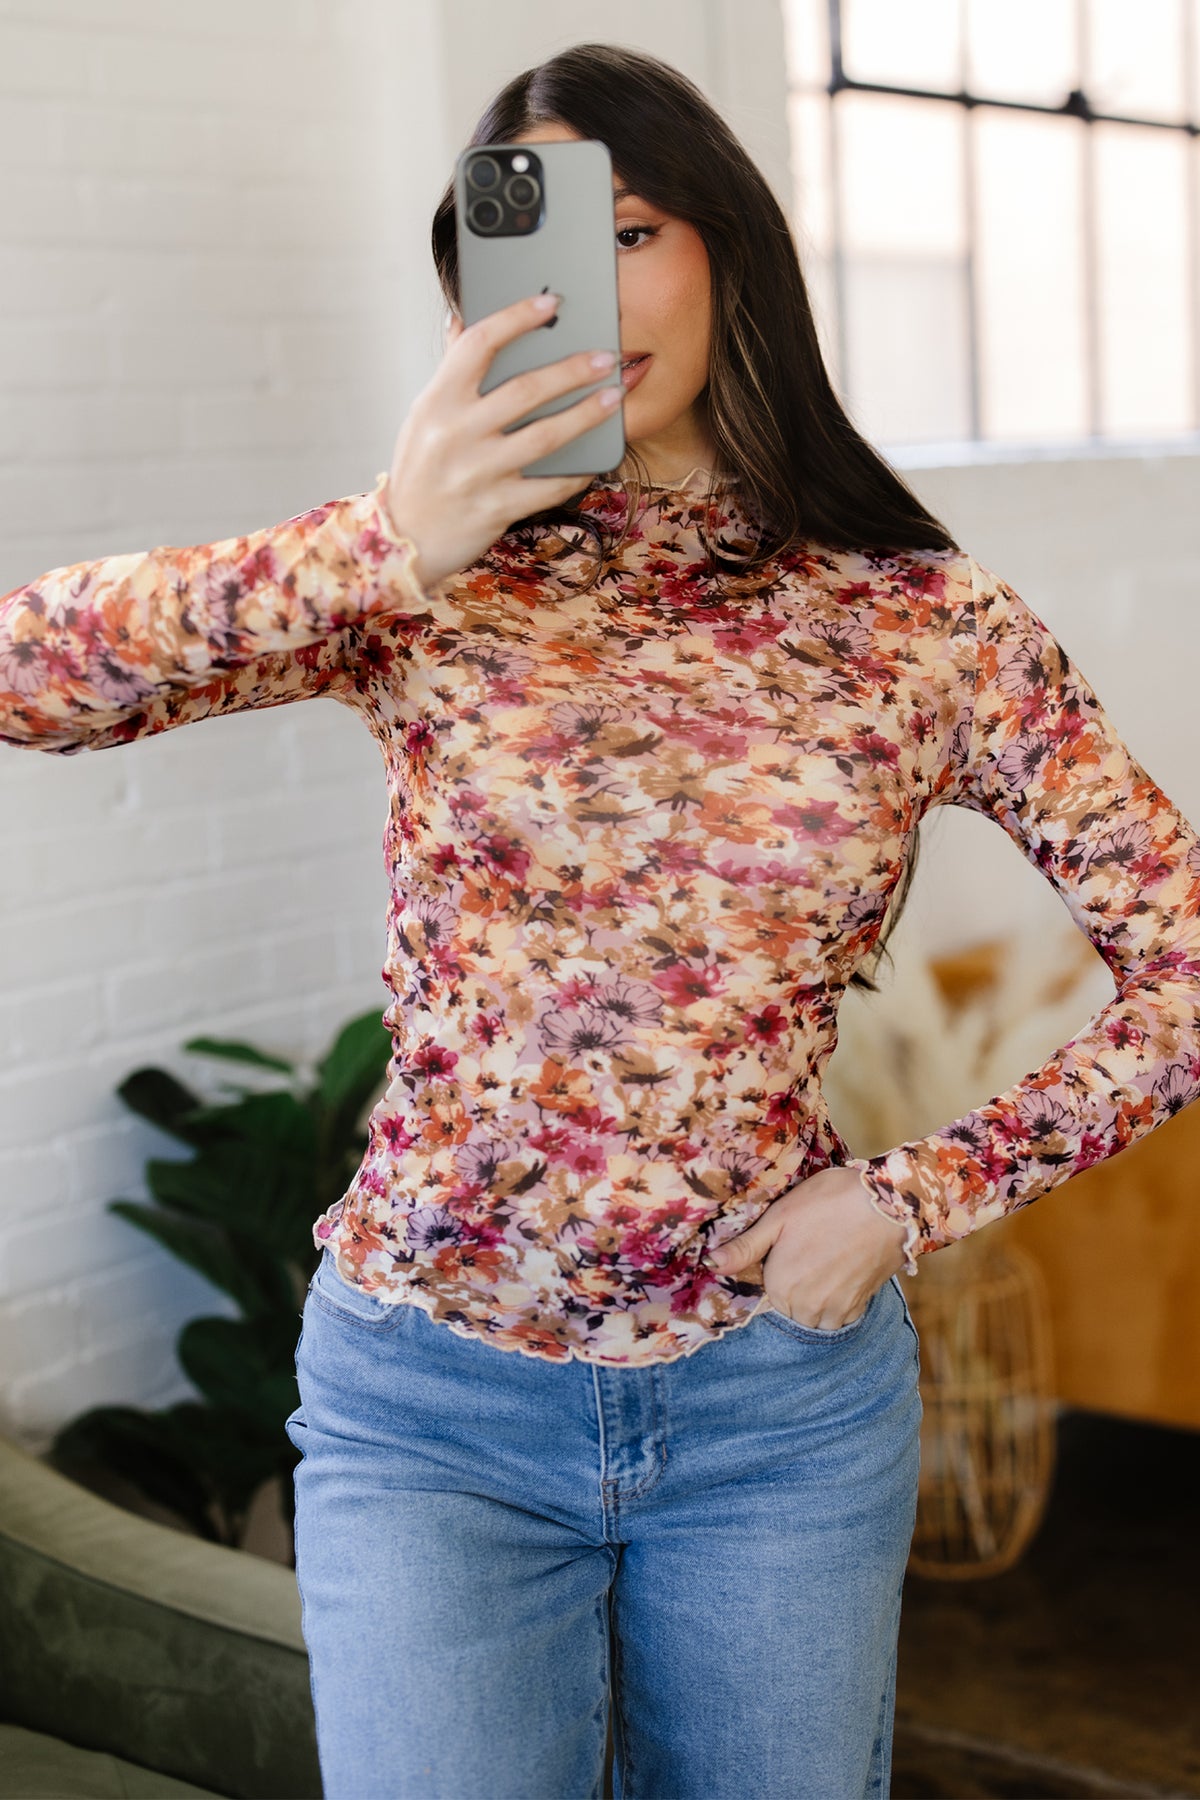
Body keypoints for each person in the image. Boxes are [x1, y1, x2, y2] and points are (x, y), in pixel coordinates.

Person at [2, 39, 1198, 1800]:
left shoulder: (924, 625)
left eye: (631, 230)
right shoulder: (418, 580)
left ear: (731, 247)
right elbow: (27, 677)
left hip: (773, 1416)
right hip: (432, 1413)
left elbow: (1183, 972)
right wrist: (380, 541)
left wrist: (911, 1197)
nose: (588, 288)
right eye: (535, 245)